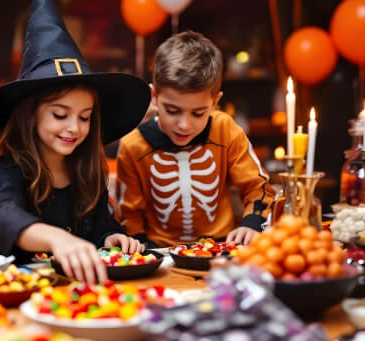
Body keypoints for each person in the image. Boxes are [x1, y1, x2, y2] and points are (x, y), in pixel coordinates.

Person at [0, 0, 150, 284]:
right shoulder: (6, 169)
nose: (74, 127)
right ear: (30, 116)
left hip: (62, 297)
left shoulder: (86, 169)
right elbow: (1, 215)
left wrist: (112, 237)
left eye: (85, 117)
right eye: (60, 115)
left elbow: (99, 225)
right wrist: (57, 239)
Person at [116, 31, 275, 248]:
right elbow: (129, 214)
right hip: (158, 250)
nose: (184, 125)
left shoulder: (225, 129)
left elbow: (258, 187)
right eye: (172, 110)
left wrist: (252, 223)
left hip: (222, 247)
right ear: (154, 97)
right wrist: (141, 249)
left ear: (215, 102)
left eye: (198, 113)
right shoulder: (133, 146)